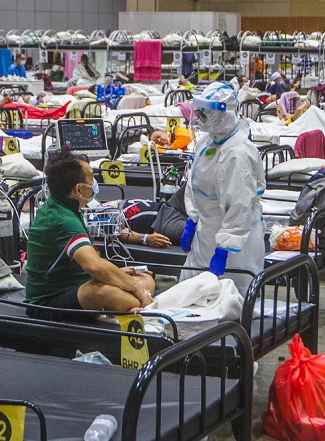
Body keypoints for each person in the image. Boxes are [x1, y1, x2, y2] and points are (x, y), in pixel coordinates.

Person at [24, 149, 155, 320]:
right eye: (92, 177)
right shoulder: (62, 219)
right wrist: (135, 288)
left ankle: (127, 305)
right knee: (104, 291)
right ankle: (130, 303)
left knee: (144, 277)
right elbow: (95, 267)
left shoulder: (66, 208)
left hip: (77, 285)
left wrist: (121, 276)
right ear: (79, 190)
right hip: (46, 303)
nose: (94, 182)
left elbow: (93, 267)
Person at [181, 83, 265, 294]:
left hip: (233, 246)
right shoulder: (209, 142)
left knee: (228, 299)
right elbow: (194, 183)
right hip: (206, 231)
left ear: (222, 115)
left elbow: (239, 205)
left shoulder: (237, 153)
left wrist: (225, 247)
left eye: (205, 113)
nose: (200, 118)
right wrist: (192, 220)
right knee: (191, 295)